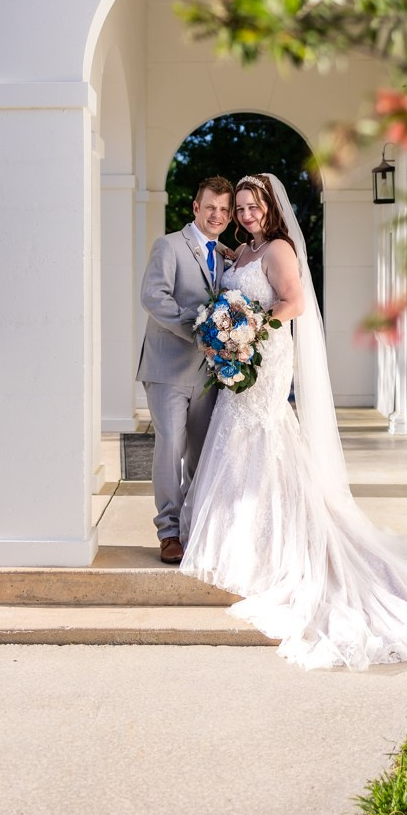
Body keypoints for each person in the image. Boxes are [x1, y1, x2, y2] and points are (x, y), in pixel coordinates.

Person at [180, 172, 407, 668]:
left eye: (255, 206)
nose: (247, 214)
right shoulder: (246, 251)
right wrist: (228, 328)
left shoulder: (277, 249)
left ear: (271, 207)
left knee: (266, 434)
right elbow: (236, 294)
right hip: (243, 357)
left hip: (265, 356)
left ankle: (275, 549)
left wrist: (250, 330)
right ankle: (237, 538)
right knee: (235, 436)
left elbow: (293, 302)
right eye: (242, 208)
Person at [136, 176, 234, 564]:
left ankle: (194, 525)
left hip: (209, 374)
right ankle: (169, 532)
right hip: (167, 368)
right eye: (211, 207)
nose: (218, 215)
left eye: (225, 210)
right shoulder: (169, 245)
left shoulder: (227, 255)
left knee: (201, 453)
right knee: (171, 448)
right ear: (196, 207)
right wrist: (198, 330)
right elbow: (153, 296)